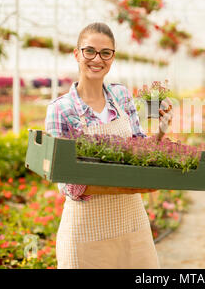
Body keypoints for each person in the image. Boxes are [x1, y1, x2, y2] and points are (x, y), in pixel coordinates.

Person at [45, 22, 173, 269]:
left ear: (113, 57)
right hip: (85, 230)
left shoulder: (122, 96)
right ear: (76, 54)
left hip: (131, 223)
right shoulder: (60, 109)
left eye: (106, 53)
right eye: (89, 51)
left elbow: (140, 150)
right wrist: (121, 183)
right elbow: (66, 184)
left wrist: (161, 131)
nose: (97, 59)